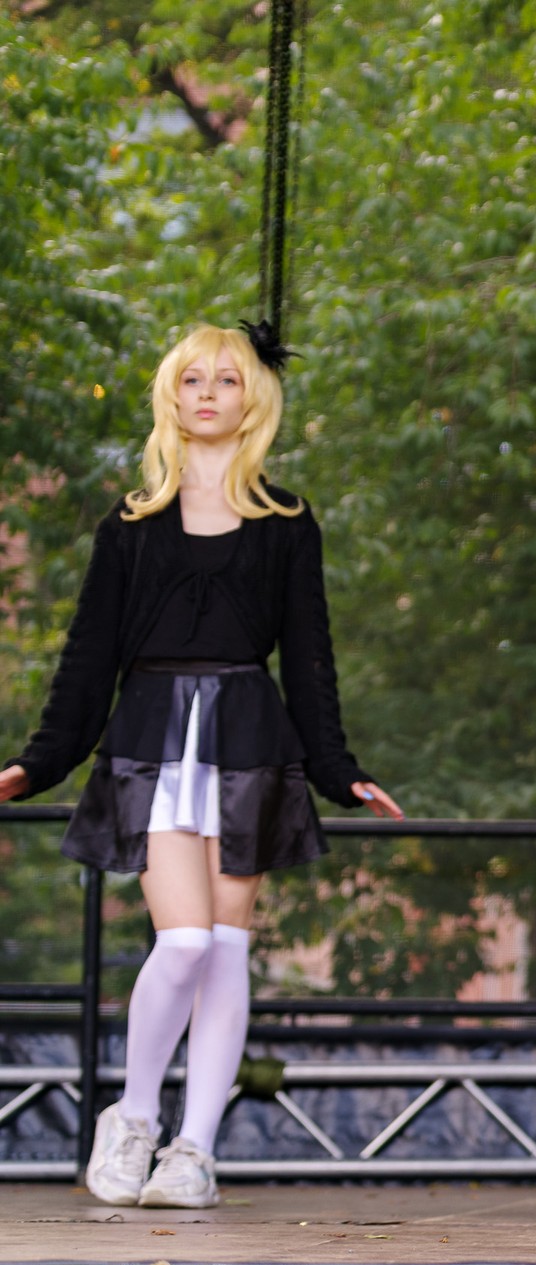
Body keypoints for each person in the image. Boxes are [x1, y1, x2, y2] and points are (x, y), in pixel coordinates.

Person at [1, 322, 403, 1209]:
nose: (208, 393)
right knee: (182, 941)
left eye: (226, 379)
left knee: (224, 949)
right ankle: (135, 1118)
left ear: (252, 398)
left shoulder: (287, 523)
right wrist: (38, 764)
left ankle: (196, 1152)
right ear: (171, 396)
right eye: (192, 379)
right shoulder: (130, 525)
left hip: (249, 740)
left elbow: (310, 657)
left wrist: (339, 770)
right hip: (152, 736)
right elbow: (88, 657)